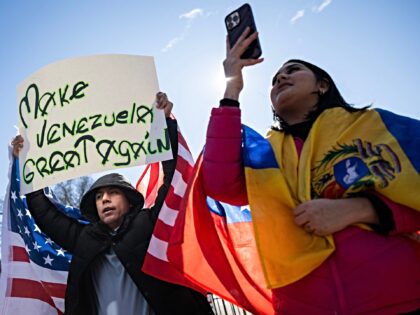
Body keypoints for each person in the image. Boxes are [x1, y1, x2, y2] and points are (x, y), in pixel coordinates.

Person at [202, 28, 420, 314]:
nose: (280, 78)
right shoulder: (263, 154)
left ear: (322, 85)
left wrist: (362, 209)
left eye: (293, 70)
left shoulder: (374, 125)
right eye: (274, 79)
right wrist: (232, 89)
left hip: (400, 299)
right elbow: (219, 185)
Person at [12, 92, 214, 315]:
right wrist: (27, 163)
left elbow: (173, 177)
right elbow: (44, 213)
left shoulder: (150, 223)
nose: (105, 199)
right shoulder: (83, 238)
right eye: (98, 197)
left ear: (129, 201)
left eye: (113, 192)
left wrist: (164, 125)